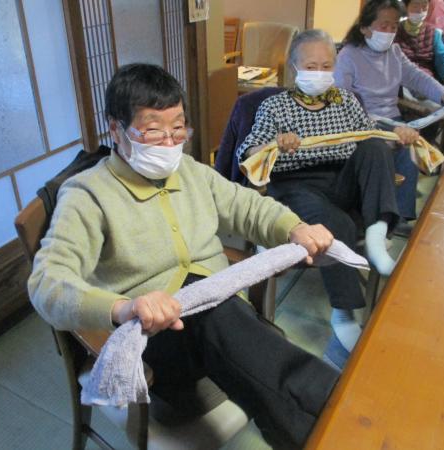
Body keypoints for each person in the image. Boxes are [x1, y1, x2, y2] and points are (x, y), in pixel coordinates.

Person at [28, 63, 340, 450]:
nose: (169, 143)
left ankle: (324, 422)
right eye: (153, 130)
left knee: (226, 317)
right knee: (221, 316)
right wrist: (123, 308)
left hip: (223, 323)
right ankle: (336, 405)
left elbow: (247, 207)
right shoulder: (87, 195)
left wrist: (294, 228)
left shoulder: (190, 171)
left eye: (178, 129)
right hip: (156, 341)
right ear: (115, 129)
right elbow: (47, 284)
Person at [236, 29, 402, 366]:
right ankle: (344, 314)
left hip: (340, 179)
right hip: (296, 185)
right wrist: (274, 144)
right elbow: (248, 152)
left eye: (326, 66)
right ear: (294, 68)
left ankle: (376, 237)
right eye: (311, 66)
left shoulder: (345, 100)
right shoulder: (275, 106)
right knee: (337, 224)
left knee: (374, 146)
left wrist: (399, 134)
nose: (319, 73)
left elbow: (371, 134)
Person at [333, 0, 444, 223]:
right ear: (364, 27)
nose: (389, 32)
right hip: (362, 122)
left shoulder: (394, 52)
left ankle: (402, 216)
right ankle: (378, 216)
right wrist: (383, 128)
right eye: (383, 26)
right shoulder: (348, 56)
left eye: (394, 26)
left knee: (410, 146)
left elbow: (416, 77)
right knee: (393, 148)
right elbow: (341, 102)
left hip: (393, 120)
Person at [395, 0, 444, 89]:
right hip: (402, 78)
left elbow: (443, 56)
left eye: (424, 6)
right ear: (406, 7)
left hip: (426, 80)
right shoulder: (395, 30)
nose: (420, 11)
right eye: (415, 6)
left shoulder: (433, 32)